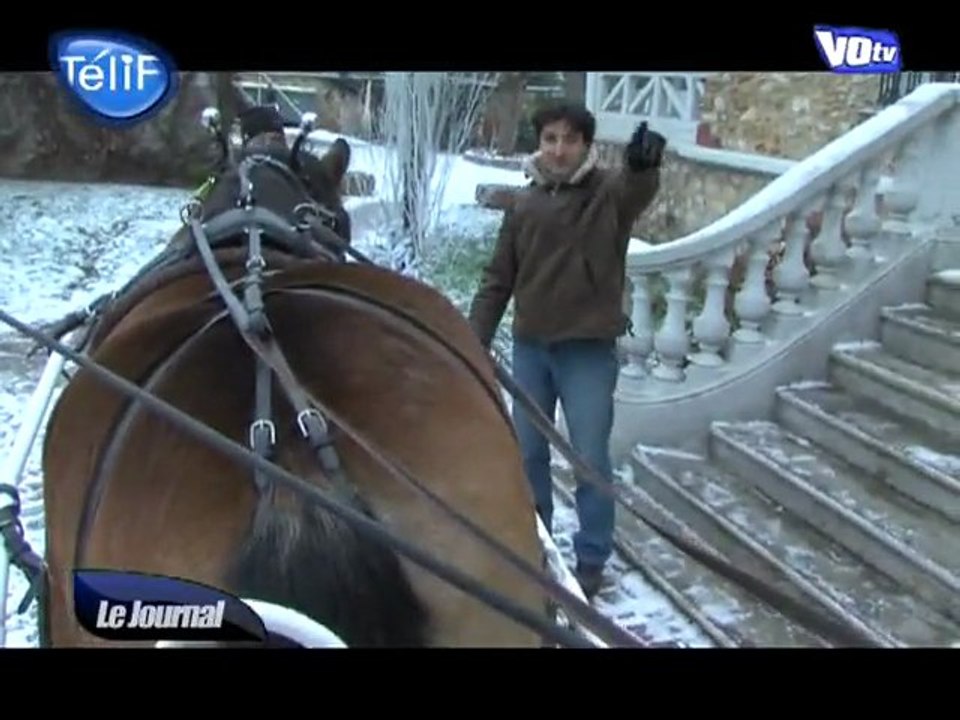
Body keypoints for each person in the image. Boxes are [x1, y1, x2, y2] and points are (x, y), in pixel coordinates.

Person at [467, 101, 664, 598]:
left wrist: (643, 167)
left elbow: (635, 191)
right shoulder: (524, 204)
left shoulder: (607, 194)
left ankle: (592, 556)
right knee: (529, 454)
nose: (559, 150)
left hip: (587, 353)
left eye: (570, 140)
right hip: (532, 349)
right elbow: (498, 279)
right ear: (539, 144)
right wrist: (472, 339)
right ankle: (538, 546)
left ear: (586, 145)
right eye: (550, 139)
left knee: (589, 457)